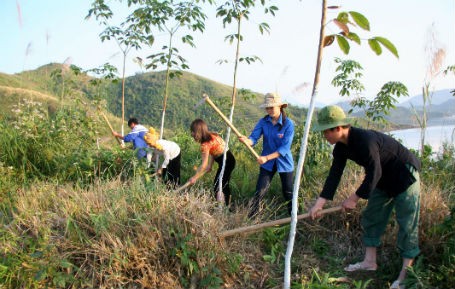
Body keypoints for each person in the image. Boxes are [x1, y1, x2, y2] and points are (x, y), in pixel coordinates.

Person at [308, 105, 421, 289]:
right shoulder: (340, 148)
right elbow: (334, 175)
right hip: (382, 179)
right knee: (372, 217)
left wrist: (353, 198)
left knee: (407, 224)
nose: (324, 136)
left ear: (338, 128)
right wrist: (319, 204)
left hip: (404, 175)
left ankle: (405, 275)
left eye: (326, 132)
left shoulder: (365, 140)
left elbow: (373, 172)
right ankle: (370, 262)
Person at [238, 92, 295, 218]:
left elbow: (285, 148)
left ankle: (294, 218)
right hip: (267, 163)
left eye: (272, 107)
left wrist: (266, 157)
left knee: (288, 192)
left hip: (283, 162)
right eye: (267, 107)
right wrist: (246, 141)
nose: (269, 110)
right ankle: (252, 218)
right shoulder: (263, 122)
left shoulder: (288, 124)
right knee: (260, 191)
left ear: (280, 106)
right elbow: (253, 138)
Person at [188, 119, 236, 206]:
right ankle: (227, 207)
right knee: (223, 184)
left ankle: (222, 209)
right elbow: (213, 151)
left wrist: (194, 178)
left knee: (218, 186)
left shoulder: (204, 145)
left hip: (226, 161)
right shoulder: (212, 135)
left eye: (193, 131)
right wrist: (210, 165)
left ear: (198, 132)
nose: (192, 134)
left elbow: (203, 165)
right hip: (229, 159)